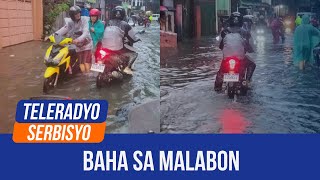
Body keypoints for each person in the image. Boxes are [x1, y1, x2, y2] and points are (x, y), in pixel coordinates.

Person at [214, 12, 256, 91]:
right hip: (241, 59)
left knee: (220, 75)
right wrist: (250, 49)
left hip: (226, 59)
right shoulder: (245, 32)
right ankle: (247, 81)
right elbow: (251, 46)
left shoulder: (224, 32)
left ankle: (218, 87)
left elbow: (218, 44)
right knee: (252, 64)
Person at [101, 6, 140, 76]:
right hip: (116, 50)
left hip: (104, 48)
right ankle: (127, 68)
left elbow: (100, 34)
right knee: (134, 54)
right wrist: (137, 39)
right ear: (123, 15)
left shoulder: (105, 23)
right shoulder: (126, 25)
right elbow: (133, 39)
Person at [55, 6, 93, 74]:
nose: (78, 15)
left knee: (85, 62)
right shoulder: (70, 22)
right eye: (76, 14)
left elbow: (86, 32)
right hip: (77, 45)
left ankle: (87, 77)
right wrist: (52, 36)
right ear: (72, 16)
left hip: (86, 43)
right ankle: (81, 75)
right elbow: (63, 29)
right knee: (80, 62)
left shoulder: (85, 20)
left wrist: (78, 39)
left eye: (78, 13)